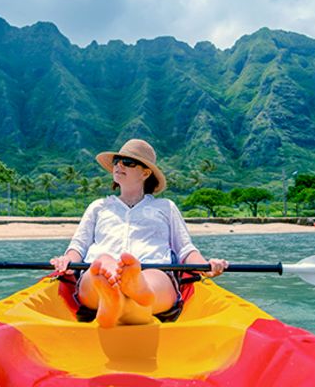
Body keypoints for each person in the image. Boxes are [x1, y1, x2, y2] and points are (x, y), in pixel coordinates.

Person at [51, 139, 228, 328]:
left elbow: (185, 249)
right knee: (101, 265)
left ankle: (129, 292)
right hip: (98, 275)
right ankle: (119, 294)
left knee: (152, 278)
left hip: (154, 272)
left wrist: (206, 266)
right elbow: (78, 246)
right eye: (117, 160)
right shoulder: (98, 207)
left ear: (145, 172)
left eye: (128, 162)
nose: (119, 165)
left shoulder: (166, 207)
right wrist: (67, 259)